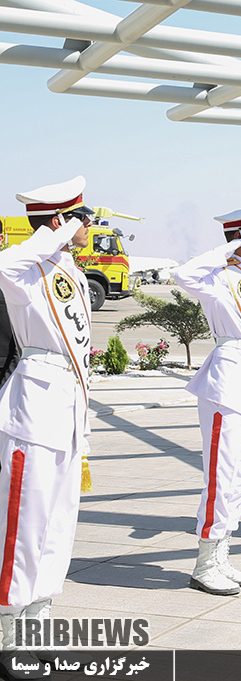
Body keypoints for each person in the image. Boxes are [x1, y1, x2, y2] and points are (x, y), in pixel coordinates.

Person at [0, 177, 93, 661]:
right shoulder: (27, 267)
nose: (90, 226)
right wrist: (52, 234)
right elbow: (3, 264)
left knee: (58, 521)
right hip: (33, 408)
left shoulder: (69, 269)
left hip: (68, 407)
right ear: (61, 221)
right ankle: (8, 627)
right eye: (82, 218)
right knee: (24, 522)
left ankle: (38, 616)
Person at [174, 205, 241, 596]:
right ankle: (204, 563)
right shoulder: (218, 275)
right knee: (220, 476)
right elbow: (183, 274)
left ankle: (222, 555)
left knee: (239, 478)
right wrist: (227, 250)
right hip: (226, 384)